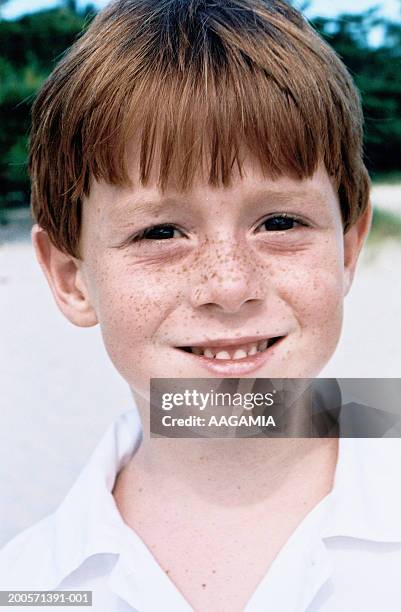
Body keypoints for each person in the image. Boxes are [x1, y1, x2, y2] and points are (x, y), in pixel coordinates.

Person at [2, 0, 401, 610]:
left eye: (279, 221)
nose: (229, 285)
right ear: (70, 278)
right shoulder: (29, 584)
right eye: (160, 232)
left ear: (347, 248)